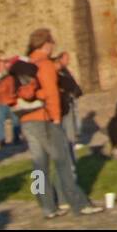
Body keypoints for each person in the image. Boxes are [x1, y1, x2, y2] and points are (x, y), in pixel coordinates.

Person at [15, 28, 102, 219]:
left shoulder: (25, 63)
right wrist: (56, 118)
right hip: (44, 119)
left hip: (26, 119)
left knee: (38, 166)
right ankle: (78, 203)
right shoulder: (45, 64)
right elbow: (52, 94)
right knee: (63, 162)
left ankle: (46, 206)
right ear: (46, 44)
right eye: (52, 42)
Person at [0, 53, 22, 146]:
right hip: (1, 101)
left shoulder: (11, 74)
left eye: (5, 62)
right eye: (2, 62)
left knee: (15, 119)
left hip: (11, 99)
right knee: (1, 120)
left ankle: (16, 137)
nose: (4, 64)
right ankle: (1, 139)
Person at [54, 51, 83, 152]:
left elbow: (71, 83)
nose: (68, 61)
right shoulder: (57, 73)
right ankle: (70, 143)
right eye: (66, 59)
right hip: (62, 101)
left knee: (72, 122)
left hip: (68, 99)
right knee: (67, 123)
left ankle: (72, 141)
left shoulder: (65, 71)